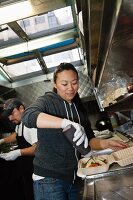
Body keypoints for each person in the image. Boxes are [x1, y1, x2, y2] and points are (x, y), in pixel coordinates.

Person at [22, 63, 128, 200]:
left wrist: (106, 144)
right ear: (55, 84)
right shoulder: (47, 101)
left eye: (74, 83)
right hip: (49, 180)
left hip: (75, 176)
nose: (70, 88)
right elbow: (28, 116)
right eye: (64, 84)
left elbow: (89, 139)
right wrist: (64, 122)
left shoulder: (79, 107)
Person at [0, 98, 38, 200]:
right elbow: (16, 135)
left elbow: (37, 148)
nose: (10, 118)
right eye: (8, 115)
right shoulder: (20, 123)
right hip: (27, 170)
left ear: (21, 108)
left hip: (36, 172)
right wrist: (2, 141)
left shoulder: (31, 124)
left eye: (12, 113)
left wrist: (18, 152)